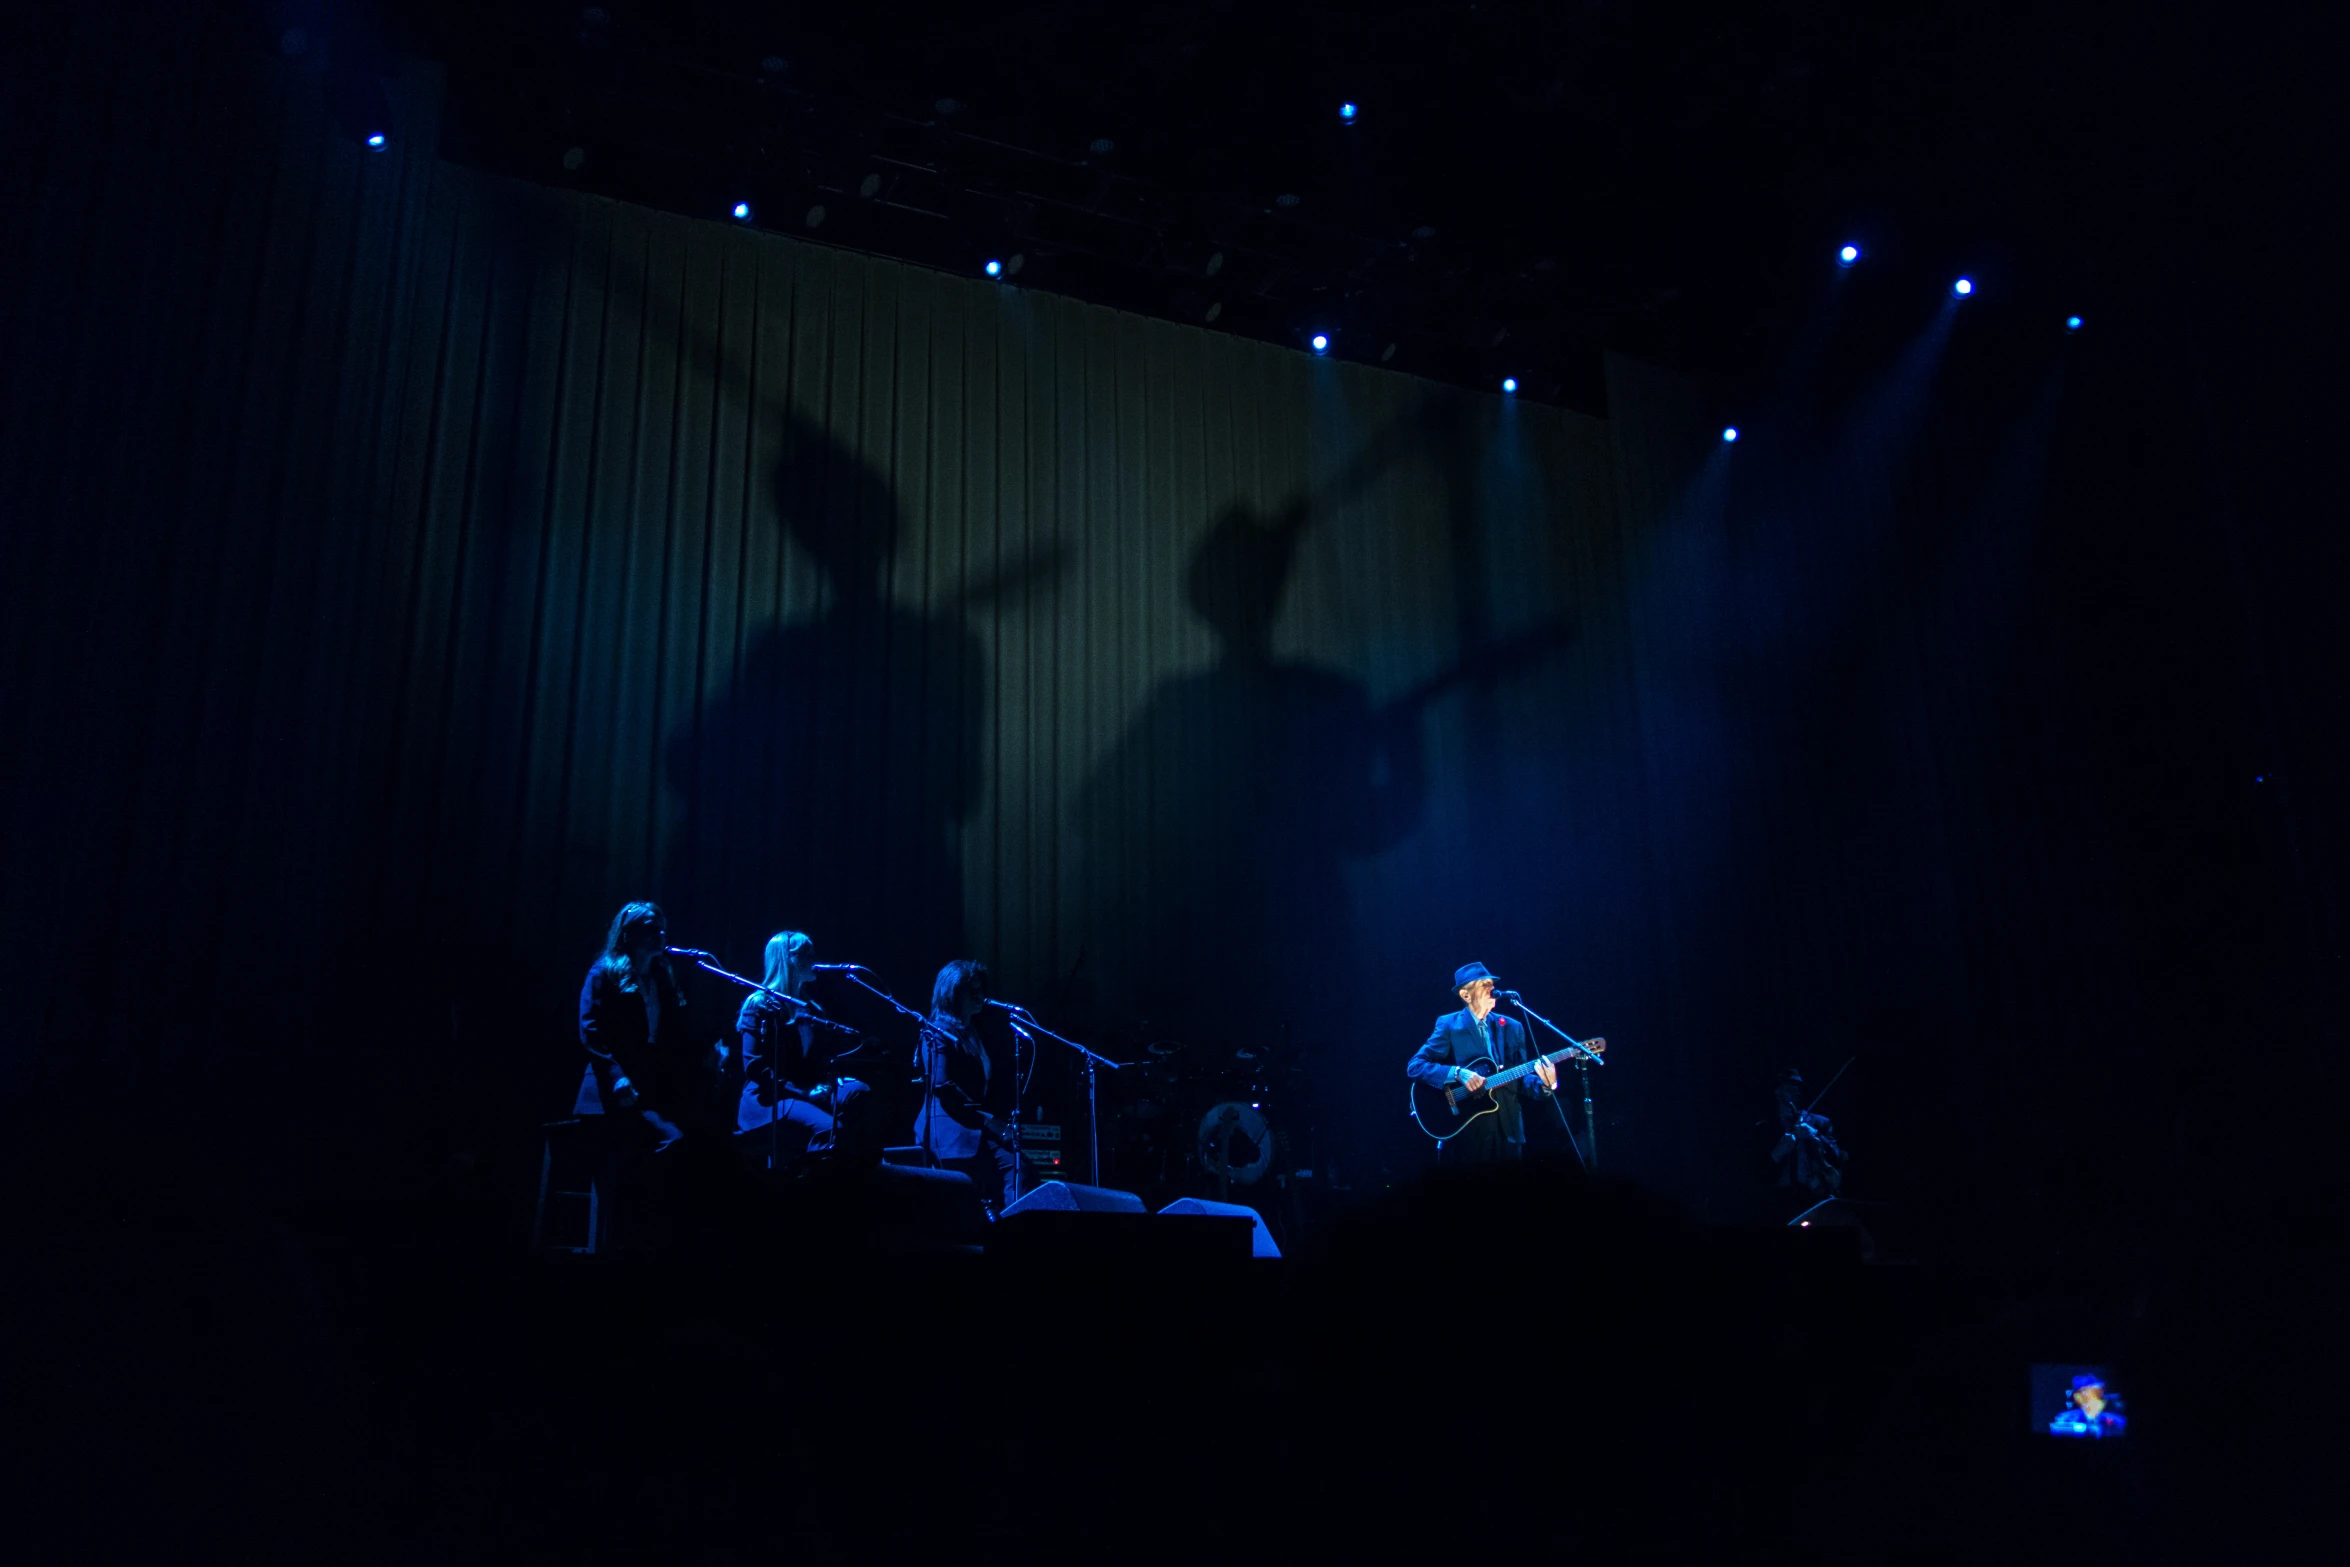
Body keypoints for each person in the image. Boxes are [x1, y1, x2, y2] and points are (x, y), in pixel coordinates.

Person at [1407, 962, 1583, 1164]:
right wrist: (1458, 1073)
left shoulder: (1512, 1027)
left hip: (1508, 1133)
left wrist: (1547, 1084)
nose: (1492, 988)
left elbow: (1523, 1080)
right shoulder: (1449, 1025)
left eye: (1492, 983)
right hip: (1468, 1134)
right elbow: (1415, 1066)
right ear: (1466, 995)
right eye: (1484, 984)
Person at [735, 930, 867, 1165]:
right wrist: (803, 1092)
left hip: (802, 1094)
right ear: (788, 958)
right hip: (768, 1100)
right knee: (829, 1128)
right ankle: (810, 1186)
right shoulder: (760, 1005)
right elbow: (754, 1067)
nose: (814, 958)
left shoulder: (812, 1009)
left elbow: (819, 1061)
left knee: (858, 1093)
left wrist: (826, 1083)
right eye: (807, 953)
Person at [579, 901, 703, 1151]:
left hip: (650, 1086)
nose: (659, 935)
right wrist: (616, 1077)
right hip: (614, 1089)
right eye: (651, 929)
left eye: (662, 930)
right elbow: (591, 1029)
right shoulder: (604, 973)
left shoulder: (661, 978)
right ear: (628, 934)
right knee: (668, 1142)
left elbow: (673, 1035)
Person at [912, 959, 1021, 1211]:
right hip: (950, 1132)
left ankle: (1014, 1237)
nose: (978, 995)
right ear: (951, 993)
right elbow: (943, 1086)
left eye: (980, 989)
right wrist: (989, 1121)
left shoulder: (974, 1032)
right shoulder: (937, 1031)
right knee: (1004, 1177)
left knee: (1020, 1170)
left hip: (975, 1130)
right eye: (969, 990)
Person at [2047, 1375, 2127, 1438]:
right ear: (2077, 1397)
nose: (2097, 1396)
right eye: (2090, 1393)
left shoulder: (2118, 1421)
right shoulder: (2065, 1420)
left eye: (2099, 1392)